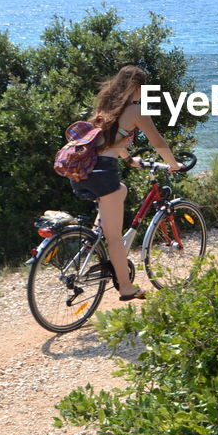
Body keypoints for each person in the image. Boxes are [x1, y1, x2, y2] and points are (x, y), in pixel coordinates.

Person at [72, 65, 181, 301]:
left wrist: (129, 159)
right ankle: (126, 287)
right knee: (115, 239)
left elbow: (108, 140)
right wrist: (173, 164)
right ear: (135, 87)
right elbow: (157, 140)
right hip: (103, 172)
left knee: (121, 190)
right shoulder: (135, 111)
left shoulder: (106, 107)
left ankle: (94, 236)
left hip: (83, 171)